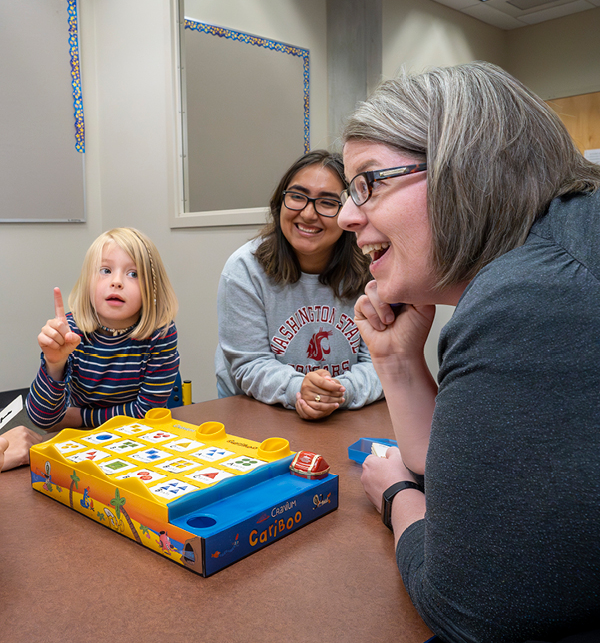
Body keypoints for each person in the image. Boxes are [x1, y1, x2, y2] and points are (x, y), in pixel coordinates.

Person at [337, 62, 600, 642]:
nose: (345, 215)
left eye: (368, 182)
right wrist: (399, 363)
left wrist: (397, 498)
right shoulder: (560, 247)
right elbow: (480, 483)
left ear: (465, 170)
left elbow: (476, 609)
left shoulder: (533, 295)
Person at [215, 150, 383, 420]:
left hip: (345, 411)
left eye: (327, 203)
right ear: (279, 202)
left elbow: (381, 363)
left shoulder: (373, 270)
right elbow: (250, 363)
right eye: (297, 196)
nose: (307, 213)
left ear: (350, 212)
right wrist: (299, 389)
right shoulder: (244, 270)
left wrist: (338, 392)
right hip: (257, 412)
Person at [27, 227, 180, 430]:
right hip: (81, 442)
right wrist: (54, 364)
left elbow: (147, 413)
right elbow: (43, 420)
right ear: (87, 282)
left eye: (133, 274)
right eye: (105, 271)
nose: (116, 282)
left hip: (137, 437)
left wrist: (79, 417)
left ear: (152, 288)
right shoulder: (70, 332)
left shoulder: (160, 333)